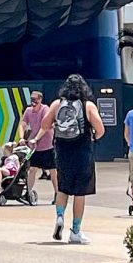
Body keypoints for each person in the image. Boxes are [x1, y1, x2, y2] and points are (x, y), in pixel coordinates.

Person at [49, 74, 105, 246]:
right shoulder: (87, 105)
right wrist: (93, 137)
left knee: (63, 187)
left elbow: (45, 124)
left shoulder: (57, 104)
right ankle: (75, 231)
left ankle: (59, 216)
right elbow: (100, 128)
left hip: (63, 152)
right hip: (83, 152)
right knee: (80, 192)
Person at [21, 88, 55, 198]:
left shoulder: (45, 109)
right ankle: (28, 192)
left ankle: (57, 193)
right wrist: (22, 137)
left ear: (40, 99)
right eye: (32, 99)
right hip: (34, 147)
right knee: (32, 169)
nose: (33, 102)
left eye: (35, 99)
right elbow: (23, 124)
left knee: (53, 171)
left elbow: (45, 126)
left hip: (47, 145)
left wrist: (36, 138)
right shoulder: (28, 111)